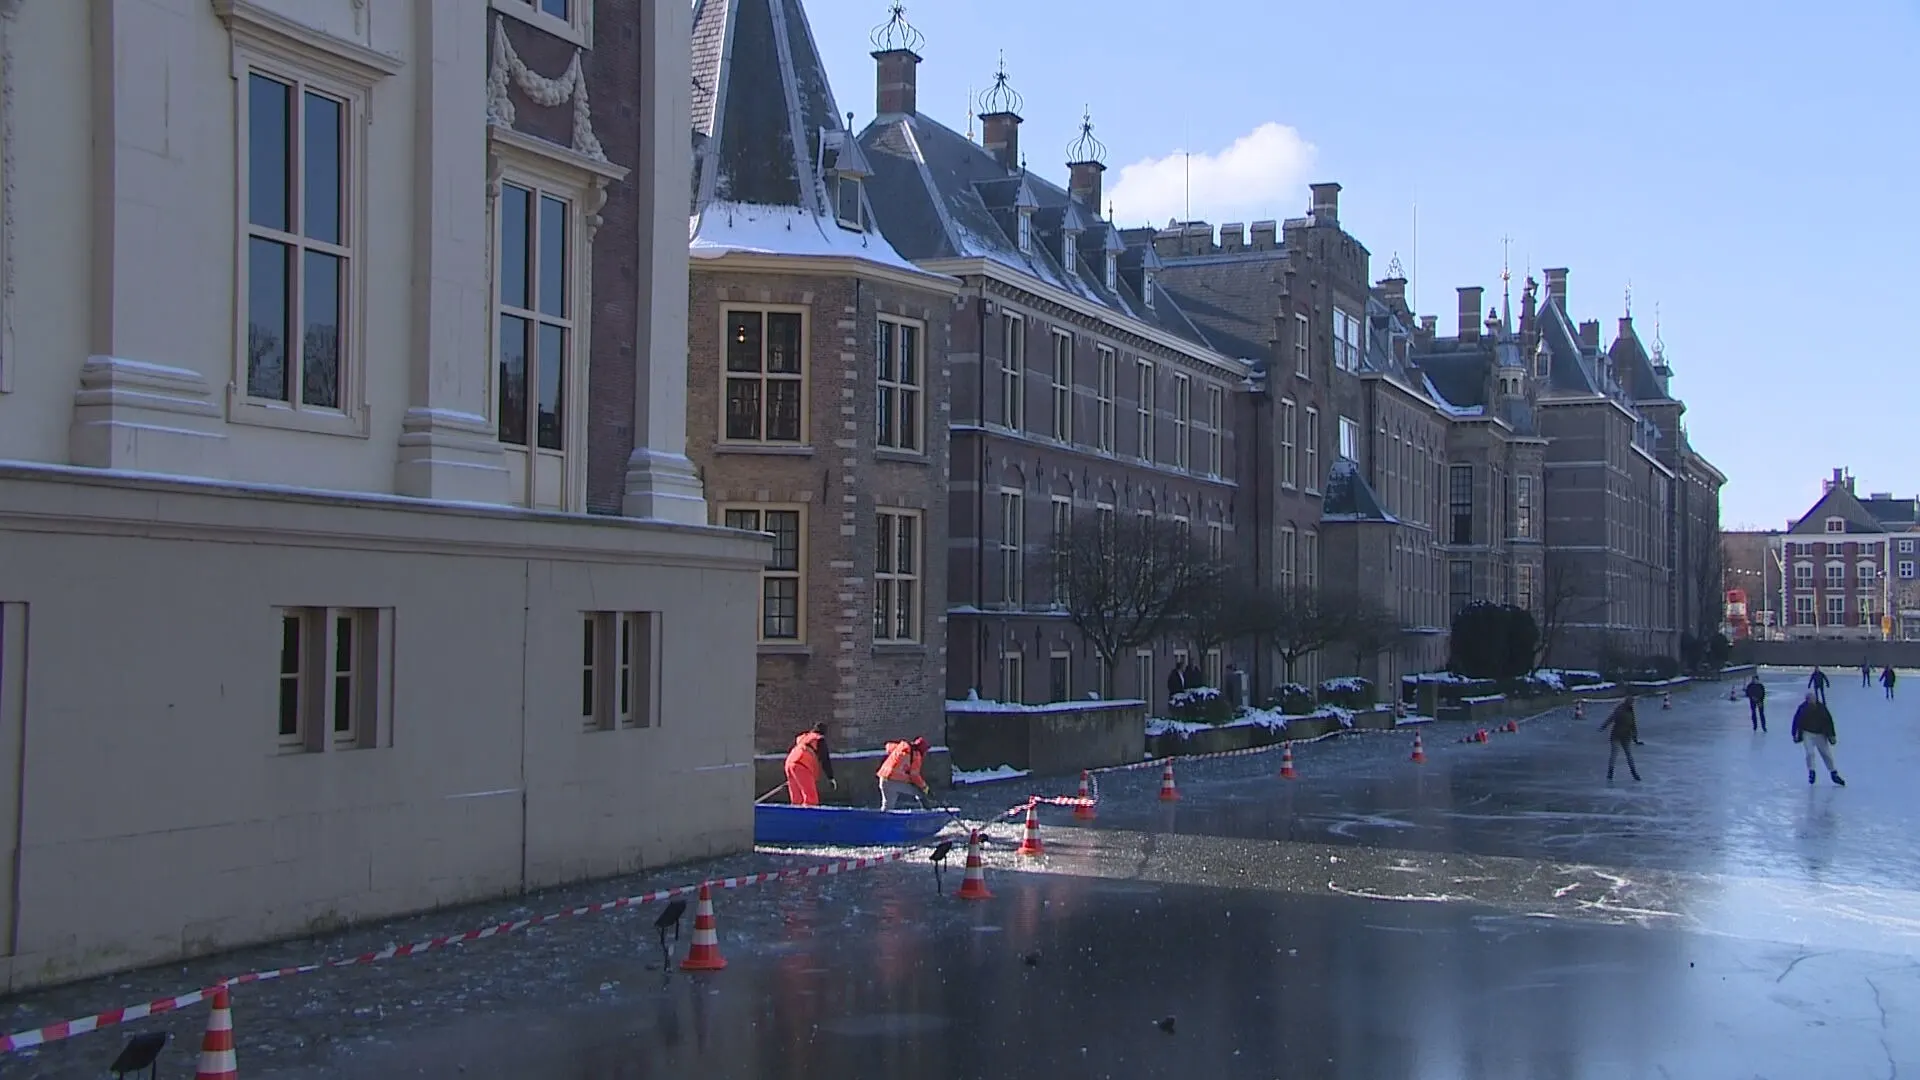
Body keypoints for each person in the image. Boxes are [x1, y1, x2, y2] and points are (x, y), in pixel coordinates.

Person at [1791, 691, 1845, 786]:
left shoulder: (1821, 708)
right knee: (1810, 753)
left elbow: (1829, 721)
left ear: (1815, 699)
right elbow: (1796, 720)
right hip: (1807, 733)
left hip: (1820, 734)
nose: (1811, 701)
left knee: (1826, 754)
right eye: (1808, 700)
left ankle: (1833, 772)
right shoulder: (1802, 708)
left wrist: (1832, 735)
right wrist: (1794, 734)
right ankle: (1811, 771)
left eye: (1812, 699)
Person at [782, 723, 836, 807]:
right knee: (811, 799)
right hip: (801, 765)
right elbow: (825, 759)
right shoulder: (819, 739)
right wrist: (831, 777)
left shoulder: (803, 738)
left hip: (789, 763)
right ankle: (808, 819)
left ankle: (795, 818)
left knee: (797, 800)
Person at [876, 736, 932, 810]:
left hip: (883, 779)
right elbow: (914, 776)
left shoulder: (900, 748)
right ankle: (927, 811)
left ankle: (882, 819)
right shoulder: (916, 755)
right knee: (920, 792)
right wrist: (924, 787)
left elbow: (889, 748)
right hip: (894, 782)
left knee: (887, 805)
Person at [1599, 695, 1642, 782]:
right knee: (1614, 755)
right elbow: (1611, 718)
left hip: (1626, 736)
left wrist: (1635, 738)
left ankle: (1634, 772)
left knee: (1629, 755)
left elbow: (1633, 724)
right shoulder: (1620, 710)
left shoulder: (1630, 711)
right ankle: (1610, 773)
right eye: (1632, 703)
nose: (1633, 704)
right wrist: (1603, 726)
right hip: (1617, 735)